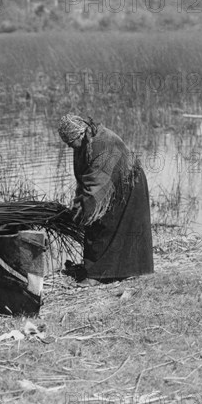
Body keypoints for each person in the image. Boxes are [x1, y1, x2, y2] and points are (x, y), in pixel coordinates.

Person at [57, 114, 154, 281]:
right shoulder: (84, 144)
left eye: (70, 142)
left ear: (80, 134)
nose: (69, 146)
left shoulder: (103, 145)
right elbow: (85, 179)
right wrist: (78, 204)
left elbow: (96, 187)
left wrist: (81, 210)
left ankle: (100, 274)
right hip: (112, 182)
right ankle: (104, 270)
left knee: (109, 226)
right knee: (100, 225)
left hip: (129, 181)